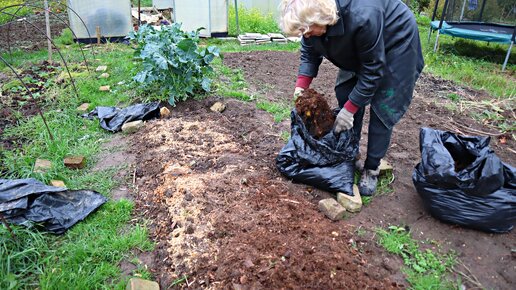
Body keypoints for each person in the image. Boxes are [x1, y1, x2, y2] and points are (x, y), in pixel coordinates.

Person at [280, 0, 424, 196]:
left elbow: (372, 70)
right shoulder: (312, 22)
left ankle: (372, 168)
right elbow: (309, 52)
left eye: (306, 30)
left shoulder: (362, 17)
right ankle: (350, 153)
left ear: (322, 17)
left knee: (383, 109)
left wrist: (350, 110)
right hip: (363, 43)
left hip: (396, 43)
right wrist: (301, 87)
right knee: (345, 92)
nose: (305, 35)